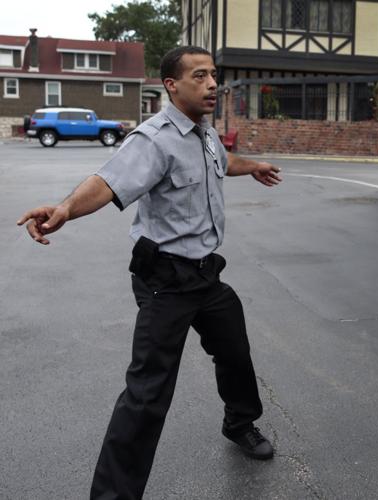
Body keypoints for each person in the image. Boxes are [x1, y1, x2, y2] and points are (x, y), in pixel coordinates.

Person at [16, 46, 282, 499]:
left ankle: (240, 423)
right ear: (172, 85)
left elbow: (222, 164)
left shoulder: (205, 134)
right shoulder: (154, 138)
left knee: (234, 351)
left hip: (205, 275)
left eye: (214, 75)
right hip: (166, 280)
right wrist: (65, 208)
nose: (213, 83)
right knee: (147, 393)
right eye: (200, 76)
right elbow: (109, 181)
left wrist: (251, 165)